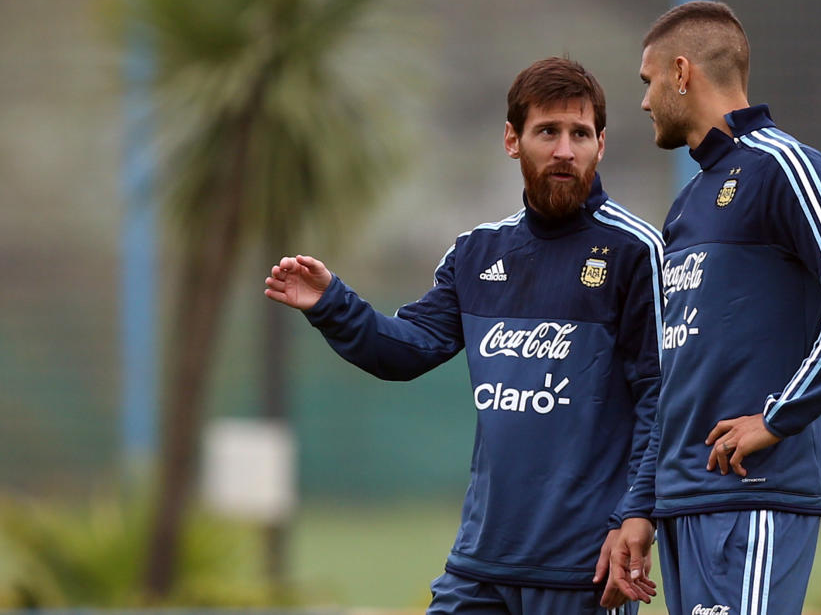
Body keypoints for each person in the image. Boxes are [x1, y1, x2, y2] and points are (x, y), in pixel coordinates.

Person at [265, 57, 662, 614]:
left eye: (580, 134)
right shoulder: (478, 254)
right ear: (512, 140)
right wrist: (333, 304)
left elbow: (660, 400)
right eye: (547, 131)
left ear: (602, 143)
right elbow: (406, 349)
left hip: (584, 569)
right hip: (480, 565)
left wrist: (635, 515)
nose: (564, 151)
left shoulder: (634, 252)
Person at [605, 1, 821, 615]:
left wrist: (779, 415)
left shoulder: (782, 166)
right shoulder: (687, 204)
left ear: (681, 73)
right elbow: (675, 371)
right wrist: (642, 504)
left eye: (647, 81)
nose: (643, 101)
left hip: (753, 498)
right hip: (685, 504)